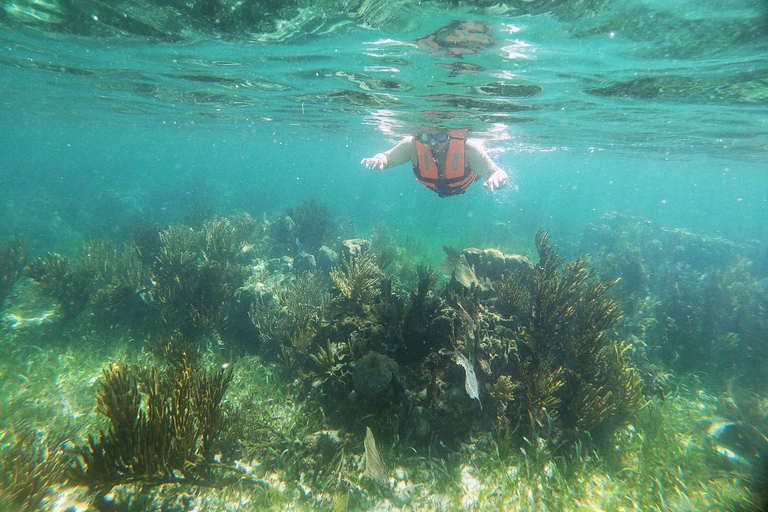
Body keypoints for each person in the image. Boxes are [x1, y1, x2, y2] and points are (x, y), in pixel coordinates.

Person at [361, 129, 509, 198]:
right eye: (426, 136)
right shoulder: (412, 145)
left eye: (440, 136)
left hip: (469, 173)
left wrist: (498, 179)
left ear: (449, 134)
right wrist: (378, 160)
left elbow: (497, 173)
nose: (433, 143)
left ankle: (493, 155)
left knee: (487, 160)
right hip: (446, 185)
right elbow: (387, 158)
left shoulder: (468, 148)